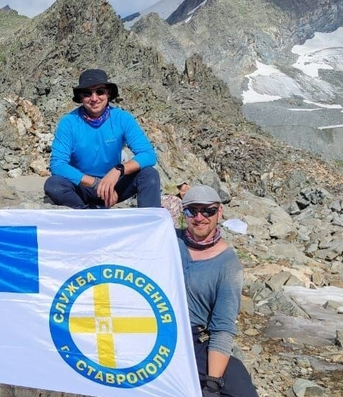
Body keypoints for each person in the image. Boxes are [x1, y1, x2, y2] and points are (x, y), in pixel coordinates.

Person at [177, 185, 258, 397]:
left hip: (193, 340)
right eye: (191, 210)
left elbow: (222, 326)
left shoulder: (228, 265)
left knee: (241, 386)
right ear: (183, 212)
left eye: (208, 211)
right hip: (154, 328)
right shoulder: (168, 240)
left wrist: (212, 383)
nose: (199, 217)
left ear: (219, 212)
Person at [44, 68, 160, 209]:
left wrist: (118, 170)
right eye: (87, 93)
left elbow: (148, 155)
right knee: (53, 185)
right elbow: (57, 165)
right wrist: (95, 183)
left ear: (108, 93)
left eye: (100, 91)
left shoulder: (122, 118)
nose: (94, 98)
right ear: (81, 97)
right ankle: (89, 214)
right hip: (82, 186)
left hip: (114, 185)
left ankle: (148, 225)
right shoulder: (68, 122)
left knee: (149, 174)